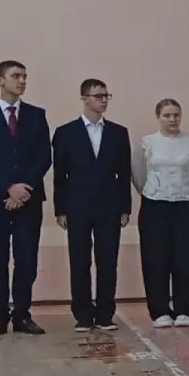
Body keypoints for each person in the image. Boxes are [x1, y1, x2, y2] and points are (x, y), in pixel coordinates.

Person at [52, 78, 132, 331]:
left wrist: (125, 208)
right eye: (98, 96)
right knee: (79, 260)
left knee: (108, 261)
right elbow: (60, 175)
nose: (104, 100)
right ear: (84, 98)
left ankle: (105, 313)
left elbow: (124, 173)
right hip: (77, 205)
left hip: (109, 205)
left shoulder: (118, 132)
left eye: (106, 96)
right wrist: (60, 209)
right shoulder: (65, 133)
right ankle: (83, 314)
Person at [132, 99, 189, 327]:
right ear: (158, 117)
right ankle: (159, 311)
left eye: (176, 115)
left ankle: (183, 309)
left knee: (186, 257)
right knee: (156, 259)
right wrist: (155, 193)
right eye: (167, 115)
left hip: (186, 205)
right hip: (155, 206)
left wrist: (185, 192)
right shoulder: (147, 143)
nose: (172, 119)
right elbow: (138, 176)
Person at [0, 59, 51, 336]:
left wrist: (23, 189)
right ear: (0, 80)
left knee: (26, 259)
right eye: (16, 76)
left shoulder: (36, 115)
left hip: (28, 200)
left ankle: (22, 315)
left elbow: (44, 156)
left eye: (25, 77)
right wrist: (8, 187)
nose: (22, 81)